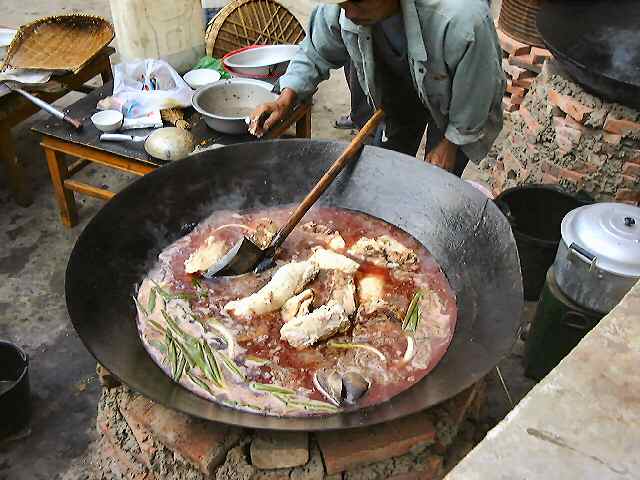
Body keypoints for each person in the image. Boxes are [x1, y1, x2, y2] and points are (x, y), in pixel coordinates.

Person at [249, 0, 505, 177]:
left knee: (440, 179)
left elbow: (479, 90)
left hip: (455, 96)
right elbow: (315, 50)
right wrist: (285, 98)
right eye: (343, 4)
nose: (349, 13)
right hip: (396, 90)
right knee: (383, 173)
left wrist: (451, 144)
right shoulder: (345, 9)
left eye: (358, 2)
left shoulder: (461, 19)